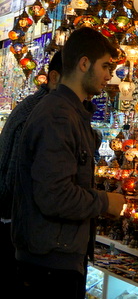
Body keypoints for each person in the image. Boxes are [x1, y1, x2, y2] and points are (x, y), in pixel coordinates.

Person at [12, 27, 127, 299]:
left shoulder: (70, 113)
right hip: (49, 266)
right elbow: (54, 195)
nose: (109, 76)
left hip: (55, 258)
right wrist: (105, 201)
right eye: (105, 66)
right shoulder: (59, 117)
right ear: (84, 63)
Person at [0, 51, 62, 296]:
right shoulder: (43, 114)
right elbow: (19, 180)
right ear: (55, 78)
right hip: (20, 232)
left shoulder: (34, 107)